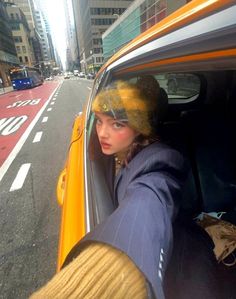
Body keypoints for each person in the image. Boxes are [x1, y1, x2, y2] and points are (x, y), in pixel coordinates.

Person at [30, 79, 188, 299]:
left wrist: (115, 267)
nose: (102, 133)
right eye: (99, 121)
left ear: (139, 128)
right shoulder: (123, 151)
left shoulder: (159, 161)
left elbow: (148, 200)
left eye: (117, 124)